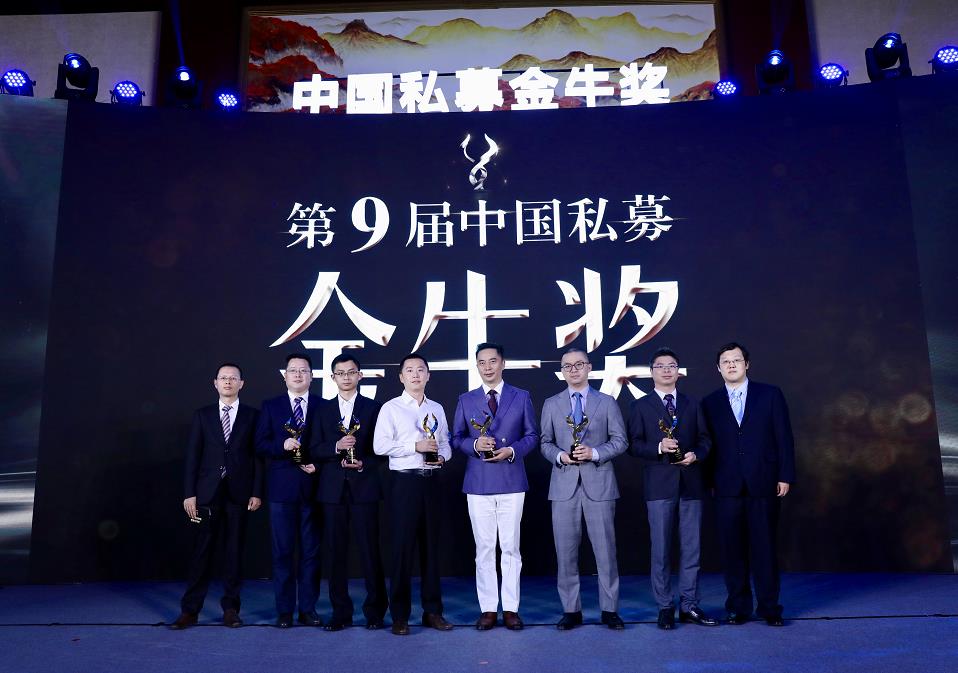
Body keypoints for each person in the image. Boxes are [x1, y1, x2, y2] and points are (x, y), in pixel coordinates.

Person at [701, 342, 795, 627]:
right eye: (726, 361)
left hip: (764, 482)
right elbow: (708, 446)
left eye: (737, 360)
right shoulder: (710, 402)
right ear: (718, 368)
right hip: (726, 486)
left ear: (747, 364)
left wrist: (785, 475)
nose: (731, 365)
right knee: (732, 551)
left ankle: (770, 608)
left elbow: (784, 437)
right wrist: (709, 482)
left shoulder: (770, 394)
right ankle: (738, 608)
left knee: (765, 548)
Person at [451, 343, 539, 631]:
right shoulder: (466, 399)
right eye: (482, 362)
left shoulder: (521, 396)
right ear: (477, 366)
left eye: (492, 361)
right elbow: (456, 438)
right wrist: (475, 444)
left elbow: (532, 435)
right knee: (485, 548)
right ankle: (488, 608)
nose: (487, 367)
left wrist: (512, 451)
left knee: (511, 547)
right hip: (478, 483)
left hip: (512, 480)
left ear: (503, 363)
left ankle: (511, 609)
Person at [627, 347, 717, 630]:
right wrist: (658, 447)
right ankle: (665, 606)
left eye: (672, 366)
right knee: (661, 550)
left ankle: (689, 605)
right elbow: (633, 445)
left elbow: (706, 440)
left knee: (692, 549)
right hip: (659, 486)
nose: (666, 370)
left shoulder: (693, 404)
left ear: (679, 371)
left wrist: (696, 455)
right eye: (660, 366)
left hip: (691, 483)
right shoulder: (640, 406)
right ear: (651, 372)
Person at [540, 347, 628, 631]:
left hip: (599, 485)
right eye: (567, 366)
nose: (574, 370)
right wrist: (560, 456)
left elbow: (620, 440)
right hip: (563, 486)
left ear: (589, 368)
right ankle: (571, 610)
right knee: (565, 553)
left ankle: (610, 610)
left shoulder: (606, 402)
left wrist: (595, 453)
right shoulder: (552, 404)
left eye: (579, 364)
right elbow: (545, 442)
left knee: (606, 552)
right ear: (562, 371)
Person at [171, 363, 262, 629]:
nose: (228, 382)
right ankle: (190, 611)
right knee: (201, 553)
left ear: (241, 383)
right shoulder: (203, 415)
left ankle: (231, 609)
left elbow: (258, 457)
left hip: (239, 493)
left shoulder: (252, 416)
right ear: (215, 383)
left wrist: (257, 492)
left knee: (233, 554)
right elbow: (193, 456)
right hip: (206, 494)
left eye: (233, 378)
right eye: (223, 378)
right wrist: (189, 493)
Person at [373, 353, 453, 636]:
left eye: (421, 370)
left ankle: (433, 612)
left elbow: (446, 443)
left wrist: (441, 456)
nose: (416, 374)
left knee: (431, 549)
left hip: (431, 482)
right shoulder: (391, 408)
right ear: (401, 377)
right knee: (402, 550)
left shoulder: (437, 408)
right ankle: (400, 615)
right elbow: (379, 446)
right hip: (403, 483)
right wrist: (414, 446)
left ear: (428, 375)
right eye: (409, 370)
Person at [307, 352, 387, 631]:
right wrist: (336, 447)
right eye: (340, 373)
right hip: (332, 490)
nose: (346, 377)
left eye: (351, 372)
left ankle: (375, 612)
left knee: (370, 551)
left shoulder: (374, 408)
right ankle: (340, 613)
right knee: (335, 553)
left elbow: (382, 450)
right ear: (332, 377)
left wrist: (364, 463)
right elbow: (313, 448)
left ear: (360, 375)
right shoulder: (322, 410)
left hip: (365, 487)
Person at [254, 353, 322, 628]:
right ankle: (284, 611)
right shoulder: (271, 406)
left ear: (311, 376)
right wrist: (281, 446)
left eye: (303, 370)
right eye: (293, 370)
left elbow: (327, 444)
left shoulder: (322, 406)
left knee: (311, 553)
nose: (298, 375)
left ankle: (308, 609)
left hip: (314, 489)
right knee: (282, 553)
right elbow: (259, 444)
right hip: (281, 490)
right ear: (285, 376)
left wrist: (317, 464)